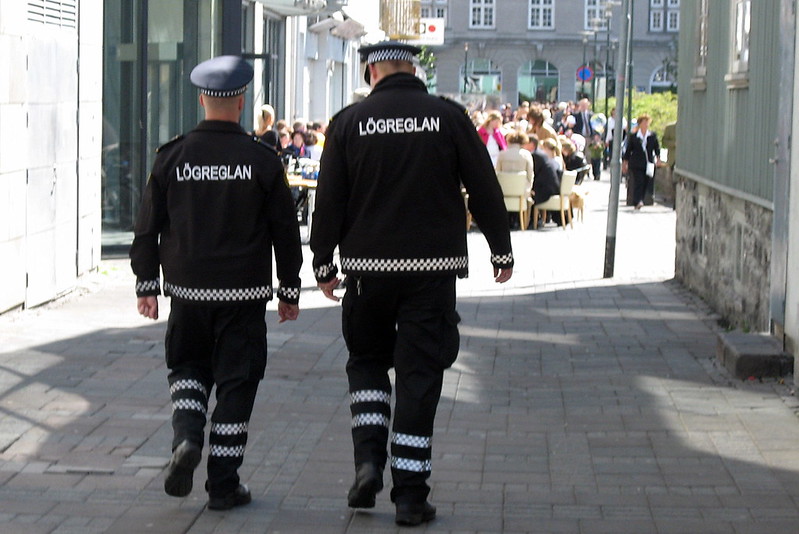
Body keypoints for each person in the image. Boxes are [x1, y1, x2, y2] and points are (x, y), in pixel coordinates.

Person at [310, 41, 513, 527]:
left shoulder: (348, 123)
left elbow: (330, 198)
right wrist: (500, 250)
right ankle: (410, 496)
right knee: (420, 374)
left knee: (367, 363)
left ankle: (368, 461)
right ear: (413, 68)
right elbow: (483, 183)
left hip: (367, 272)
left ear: (372, 70)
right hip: (430, 271)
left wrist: (321, 263)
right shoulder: (446, 116)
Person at [129, 55, 303, 511]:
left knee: (187, 367)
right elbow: (285, 230)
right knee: (237, 382)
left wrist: (147, 284)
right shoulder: (261, 160)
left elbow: (146, 227)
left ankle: (187, 436)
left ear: (203, 99)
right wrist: (289, 289)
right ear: (242, 103)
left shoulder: (173, 157)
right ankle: (223, 485)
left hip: (186, 290)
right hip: (243, 294)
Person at [495, 129, 535, 226]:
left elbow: (498, 172)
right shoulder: (526, 155)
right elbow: (530, 174)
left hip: (504, 190)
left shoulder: (502, 154)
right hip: (521, 191)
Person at [622, 113, 661, 210]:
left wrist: (658, 159)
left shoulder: (652, 135)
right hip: (636, 163)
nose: (646, 124)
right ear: (640, 124)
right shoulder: (634, 136)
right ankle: (637, 201)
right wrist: (625, 163)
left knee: (646, 182)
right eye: (644, 122)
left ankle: (641, 199)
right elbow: (628, 150)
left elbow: (656, 148)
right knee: (638, 181)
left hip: (648, 163)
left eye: (647, 122)